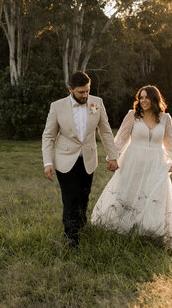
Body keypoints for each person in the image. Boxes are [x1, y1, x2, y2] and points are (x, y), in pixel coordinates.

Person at [90, 85, 172, 247]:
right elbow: (120, 139)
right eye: (141, 97)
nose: (143, 100)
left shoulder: (165, 118)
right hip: (133, 161)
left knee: (153, 195)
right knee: (129, 192)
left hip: (156, 162)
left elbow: (169, 141)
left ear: (155, 99)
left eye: (147, 97)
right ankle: (123, 226)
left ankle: (150, 229)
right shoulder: (132, 116)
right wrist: (112, 157)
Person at [42, 71, 119, 249]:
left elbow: (105, 131)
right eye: (81, 92)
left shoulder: (97, 103)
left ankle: (81, 225)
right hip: (65, 159)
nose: (85, 95)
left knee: (84, 195)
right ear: (70, 89)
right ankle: (72, 239)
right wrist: (48, 163)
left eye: (87, 91)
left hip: (88, 159)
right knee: (71, 198)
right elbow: (48, 136)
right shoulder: (57, 107)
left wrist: (112, 156)